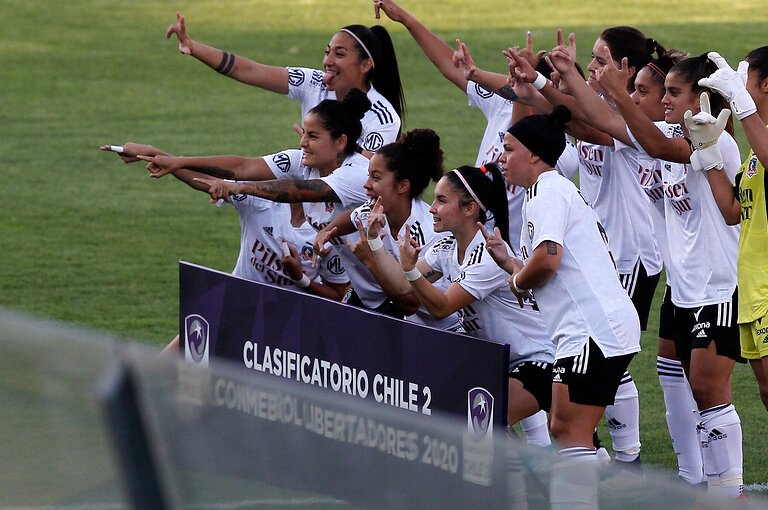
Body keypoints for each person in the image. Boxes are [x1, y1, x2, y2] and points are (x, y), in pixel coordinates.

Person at [543, 38, 748, 498]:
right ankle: (699, 481)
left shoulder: (710, 141)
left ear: (700, 99)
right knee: (682, 380)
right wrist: (555, 80)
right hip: (684, 289)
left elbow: (648, 140)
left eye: (671, 93)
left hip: (718, 286)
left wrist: (611, 92)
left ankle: (726, 493)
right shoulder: (661, 139)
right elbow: (600, 121)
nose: (662, 100)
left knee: (710, 391)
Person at [373, 0, 554, 447]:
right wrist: (409, 20)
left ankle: (577, 462)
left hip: (504, 264)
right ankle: (559, 464)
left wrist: (527, 85)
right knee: (492, 429)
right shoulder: (497, 108)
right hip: (493, 328)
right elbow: (452, 69)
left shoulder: (548, 140)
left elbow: (432, 303)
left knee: (480, 424)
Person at [486, 105, 641, 509]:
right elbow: (555, 262)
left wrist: (517, 279)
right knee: (564, 426)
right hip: (593, 329)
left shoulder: (547, 192)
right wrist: (511, 263)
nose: (501, 157)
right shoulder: (553, 191)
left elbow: (549, 258)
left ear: (534, 154)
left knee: (570, 431)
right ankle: (596, 478)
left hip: (591, 330)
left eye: (508, 148)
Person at [688, 48, 768, 507]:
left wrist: (742, 111)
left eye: (746, 72)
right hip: (754, 285)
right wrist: (707, 152)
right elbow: (731, 211)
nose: (736, 78)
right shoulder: (753, 149)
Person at [99, 143, 349, 354]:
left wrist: (300, 278)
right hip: (233, 307)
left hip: (285, 334)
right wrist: (153, 152)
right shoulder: (261, 202)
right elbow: (208, 182)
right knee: (162, 369)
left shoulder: (327, 233)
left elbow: (338, 297)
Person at [142, 89, 373, 244]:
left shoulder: (357, 174)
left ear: (341, 141)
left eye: (312, 136)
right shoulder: (303, 162)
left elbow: (296, 191)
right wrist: (175, 161)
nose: (302, 142)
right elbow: (242, 166)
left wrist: (240, 188)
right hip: (368, 287)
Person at [164, 12, 404, 154]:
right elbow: (248, 70)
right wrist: (193, 47)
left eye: (339, 54)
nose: (327, 61)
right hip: (311, 206)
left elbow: (371, 173)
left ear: (365, 65)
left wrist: (323, 145)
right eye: (327, 52)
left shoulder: (383, 118)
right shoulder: (314, 82)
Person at [315, 129, 461, 331]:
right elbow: (351, 217)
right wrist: (326, 233)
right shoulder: (374, 208)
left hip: (442, 331)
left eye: (375, 177)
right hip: (405, 318)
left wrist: (372, 262)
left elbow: (409, 303)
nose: (366, 185)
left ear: (403, 186)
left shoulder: (428, 234)